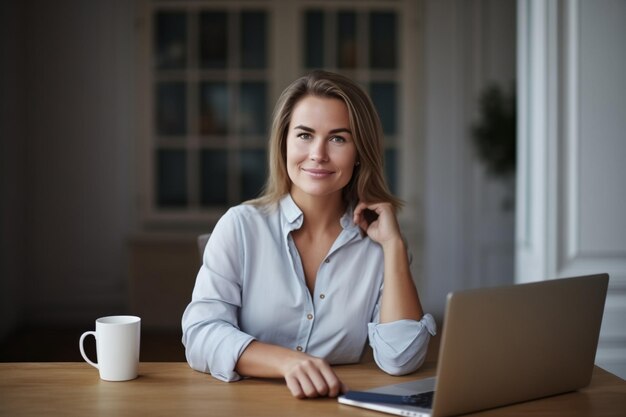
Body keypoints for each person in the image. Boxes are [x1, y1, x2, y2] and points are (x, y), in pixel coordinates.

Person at [182, 70, 436, 399]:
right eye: (304, 135)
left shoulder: (378, 245)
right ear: (284, 143)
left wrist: (393, 246)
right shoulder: (240, 226)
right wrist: (287, 362)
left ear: (360, 153)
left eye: (338, 138)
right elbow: (200, 335)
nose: (318, 153)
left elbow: (401, 359)